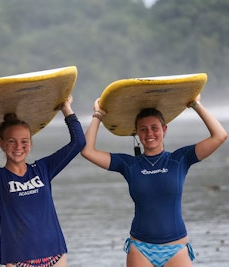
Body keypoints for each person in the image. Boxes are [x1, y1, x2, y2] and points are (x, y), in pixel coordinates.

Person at [81, 94, 227, 267]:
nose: (149, 133)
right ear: (137, 133)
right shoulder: (128, 164)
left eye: (154, 128)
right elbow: (87, 151)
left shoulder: (180, 159)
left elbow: (220, 136)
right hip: (140, 249)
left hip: (176, 248)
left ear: (164, 129)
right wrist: (98, 115)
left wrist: (195, 104)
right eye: (143, 129)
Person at [0, 95, 85, 267]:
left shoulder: (43, 169)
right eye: (11, 141)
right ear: (1, 144)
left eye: (24, 141)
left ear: (30, 143)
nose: (18, 147)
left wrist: (66, 108)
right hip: (18, 260)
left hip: (55, 254)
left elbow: (78, 142)